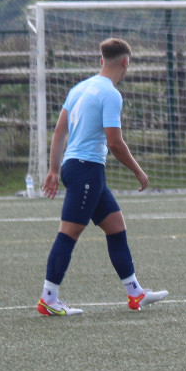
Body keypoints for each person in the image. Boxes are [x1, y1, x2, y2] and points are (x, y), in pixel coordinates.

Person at [36, 38, 167, 316]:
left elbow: (59, 132)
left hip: (77, 168)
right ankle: (48, 298)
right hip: (87, 170)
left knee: (116, 226)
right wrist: (139, 171)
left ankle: (135, 293)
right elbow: (115, 142)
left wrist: (54, 169)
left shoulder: (80, 88)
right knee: (69, 233)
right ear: (125, 62)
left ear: (101, 61)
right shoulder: (111, 94)